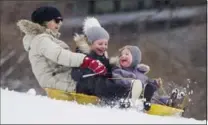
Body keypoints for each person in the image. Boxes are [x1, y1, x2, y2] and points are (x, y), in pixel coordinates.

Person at [16, 6, 107, 93]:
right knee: (101, 85)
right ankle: (117, 98)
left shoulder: (45, 39)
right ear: (44, 21)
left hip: (63, 78)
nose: (59, 23)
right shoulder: (41, 40)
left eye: (61, 21)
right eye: (56, 20)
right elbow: (60, 55)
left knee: (101, 78)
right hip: (60, 81)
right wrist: (87, 61)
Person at [71, 17, 142, 104]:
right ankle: (124, 95)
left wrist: (115, 66)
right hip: (84, 88)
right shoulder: (83, 55)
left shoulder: (102, 56)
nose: (104, 47)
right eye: (100, 44)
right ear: (90, 43)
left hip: (98, 87)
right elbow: (75, 73)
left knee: (114, 77)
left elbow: (107, 69)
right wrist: (89, 71)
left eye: (106, 44)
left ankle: (132, 90)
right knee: (102, 83)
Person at [110, 45, 162, 110]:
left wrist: (155, 83)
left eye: (127, 54)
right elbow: (118, 80)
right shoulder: (119, 70)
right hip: (130, 94)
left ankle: (168, 101)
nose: (123, 56)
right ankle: (142, 103)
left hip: (147, 96)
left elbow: (147, 82)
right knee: (140, 87)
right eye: (121, 55)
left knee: (153, 90)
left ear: (135, 58)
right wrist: (132, 83)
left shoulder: (140, 73)